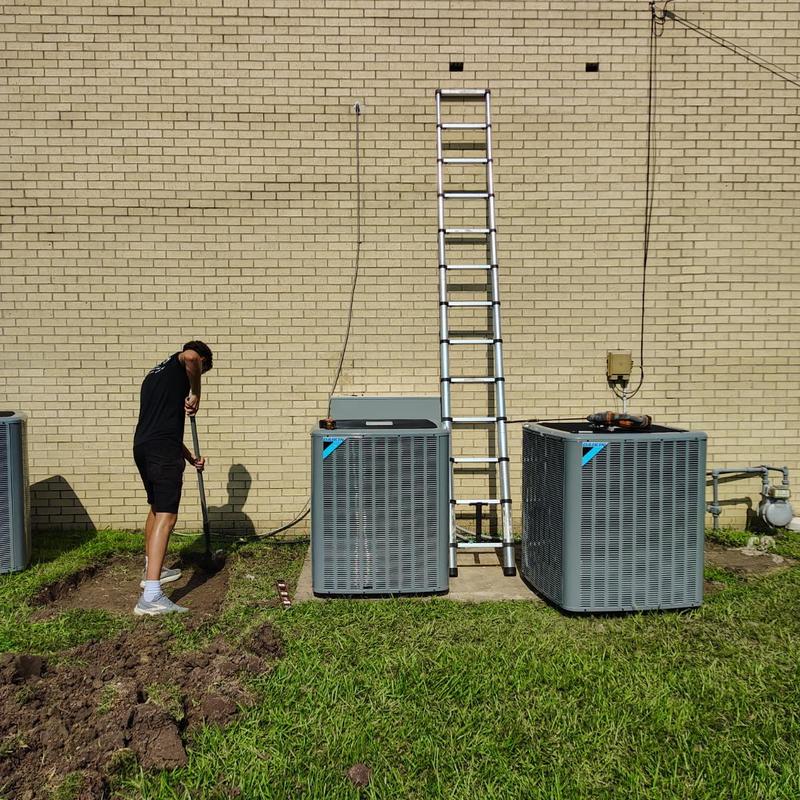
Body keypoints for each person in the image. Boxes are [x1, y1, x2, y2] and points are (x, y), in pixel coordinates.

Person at [132, 341, 213, 616]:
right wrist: (197, 392)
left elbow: (162, 427)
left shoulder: (155, 375)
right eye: (202, 368)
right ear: (201, 360)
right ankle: (151, 596)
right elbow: (190, 357)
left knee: (156, 507)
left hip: (145, 447)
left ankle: (152, 569)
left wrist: (190, 458)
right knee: (168, 516)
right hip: (161, 451)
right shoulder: (184, 361)